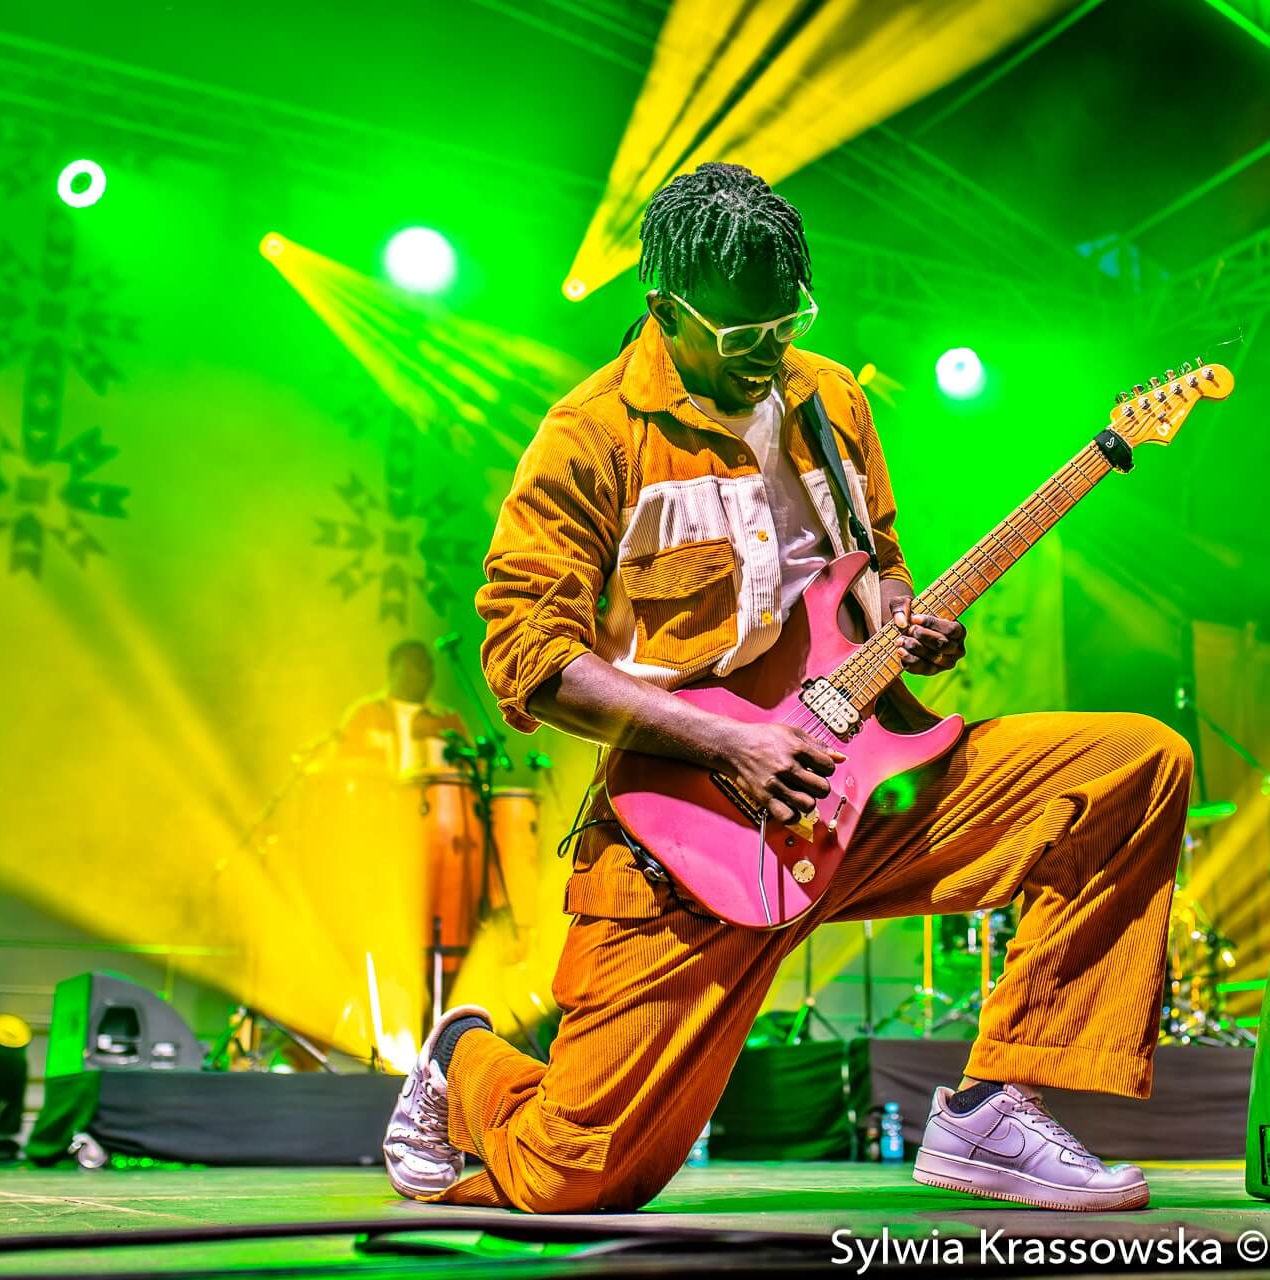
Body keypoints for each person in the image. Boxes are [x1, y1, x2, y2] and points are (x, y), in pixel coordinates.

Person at [381, 162, 1192, 1213]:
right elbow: (528, 656)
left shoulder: (831, 398)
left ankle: (996, 1104)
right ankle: (465, 1062)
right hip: (695, 839)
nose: (769, 350)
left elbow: (877, 557)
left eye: (787, 320)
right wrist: (729, 745)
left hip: (870, 790)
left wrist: (902, 618)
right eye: (740, 333)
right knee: (573, 1177)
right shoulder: (590, 438)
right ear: (666, 307)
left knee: (1135, 765)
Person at [336, 640, 471, 778]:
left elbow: (471, 771)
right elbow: (340, 766)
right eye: (417, 664)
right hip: (377, 791)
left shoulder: (448, 719)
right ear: (393, 670)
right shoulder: (365, 714)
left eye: (429, 665)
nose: (426, 671)